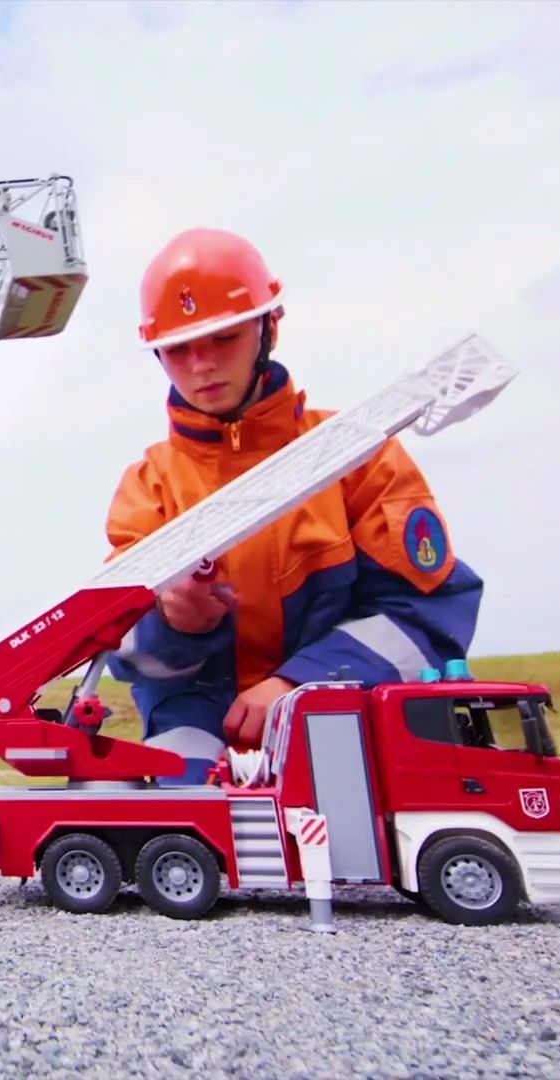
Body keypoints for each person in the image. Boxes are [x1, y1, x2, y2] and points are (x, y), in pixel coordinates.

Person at [101, 228, 484, 784]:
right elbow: (123, 654)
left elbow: (425, 619)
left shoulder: (358, 455)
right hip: (197, 716)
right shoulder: (147, 488)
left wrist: (297, 687)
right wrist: (173, 622)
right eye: (179, 348)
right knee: (187, 830)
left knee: (355, 824)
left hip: (341, 705)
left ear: (269, 329)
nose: (201, 365)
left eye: (223, 337)